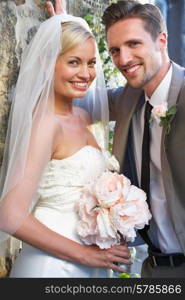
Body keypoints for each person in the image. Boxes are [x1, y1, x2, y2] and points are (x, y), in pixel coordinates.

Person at [48, 0, 185, 277]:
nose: (123, 59)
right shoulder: (128, 97)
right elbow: (78, 94)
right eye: (115, 50)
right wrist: (63, 34)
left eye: (134, 44)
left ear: (161, 40)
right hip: (155, 268)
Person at [0, 11, 131, 278]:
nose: (86, 73)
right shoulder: (45, 123)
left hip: (89, 267)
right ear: (48, 63)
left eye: (91, 62)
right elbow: (10, 215)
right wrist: (85, 254)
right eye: (74, 62)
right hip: (51, 267)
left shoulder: (82, 116)